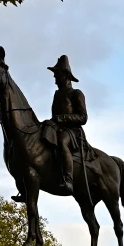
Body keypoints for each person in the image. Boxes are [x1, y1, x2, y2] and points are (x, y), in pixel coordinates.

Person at [41, 55, 88, 194]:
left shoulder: (76, 93)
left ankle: (68, 180)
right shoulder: (57, 95)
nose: (55, 79)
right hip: (57, 128)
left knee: (62, 142)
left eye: (57, 75)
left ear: (65, 75)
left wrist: (61, 118)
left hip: (72, 131)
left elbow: (83, 117)